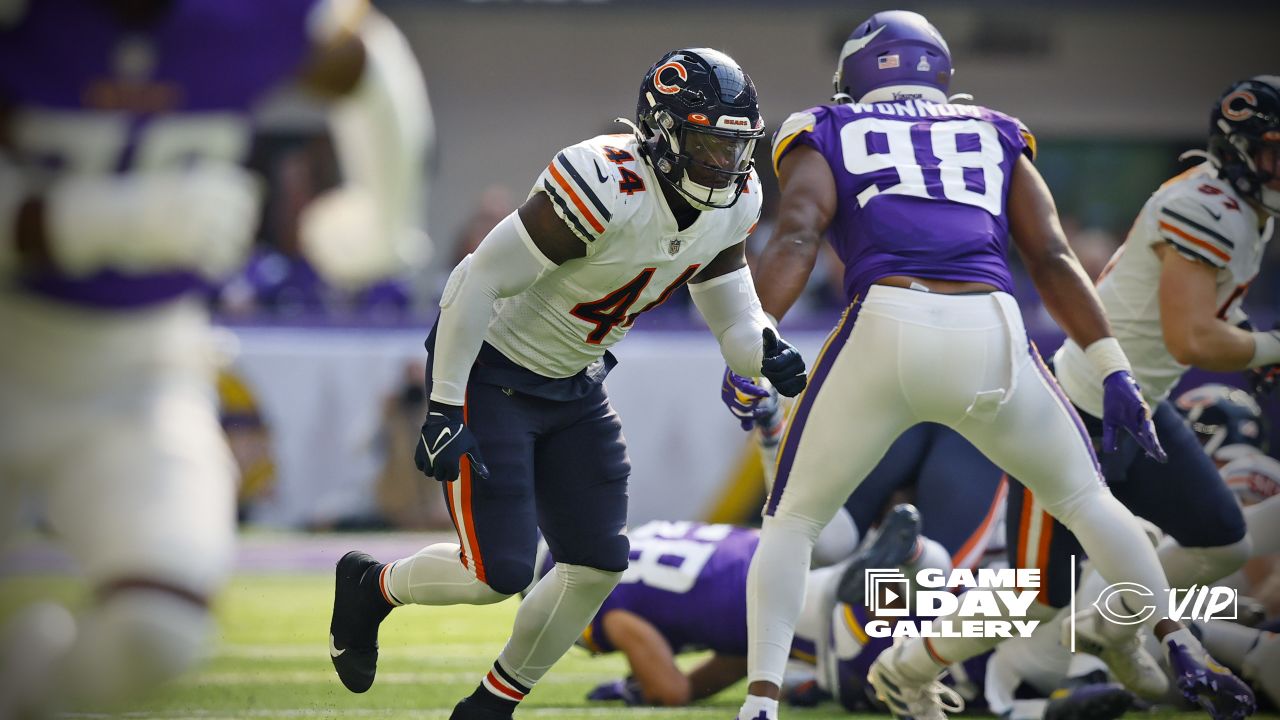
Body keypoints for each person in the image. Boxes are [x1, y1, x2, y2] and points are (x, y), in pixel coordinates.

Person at [731, 11, 1251, 720]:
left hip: (888, 321)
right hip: (993, 331)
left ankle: (759, 703)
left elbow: (796, 232)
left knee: (792, 520)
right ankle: (1181, 643)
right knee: (1088, 501)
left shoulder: (824, 126)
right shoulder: (995, 129)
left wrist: (751, 344)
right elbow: (1053, 257)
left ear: (855, 73)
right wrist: (1113, 367)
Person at [326, 48, 809, 720]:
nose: (726, 165)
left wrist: (765, 350)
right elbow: (476, 278)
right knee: (497, 573)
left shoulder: (736, 203)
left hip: (574, 382)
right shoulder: (603, 181)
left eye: (736, 147)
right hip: (491, 368)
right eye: (708, 145)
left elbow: (732, 314)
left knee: (598, 562)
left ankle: (493, 704)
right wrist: (442, 404)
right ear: (664, 135)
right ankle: (371, 587)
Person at [0, 0, 431, 715]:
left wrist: (388, 220)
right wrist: (100, 219)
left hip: (140, 362)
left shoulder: (255, 17)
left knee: (158, 627)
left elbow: (366, 59)